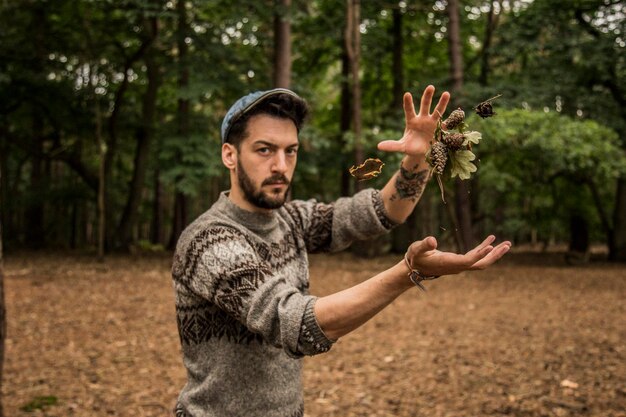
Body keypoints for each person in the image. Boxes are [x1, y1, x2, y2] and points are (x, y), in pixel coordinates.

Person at [171, 86, 511, 417]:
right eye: (264, 150)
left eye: (290, 150)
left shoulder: (290, 220)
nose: (280, 165)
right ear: (229, 154)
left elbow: (382, 211)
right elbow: (296, 323)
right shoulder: (208, 241)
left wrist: (418, 156)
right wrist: (408, 272)